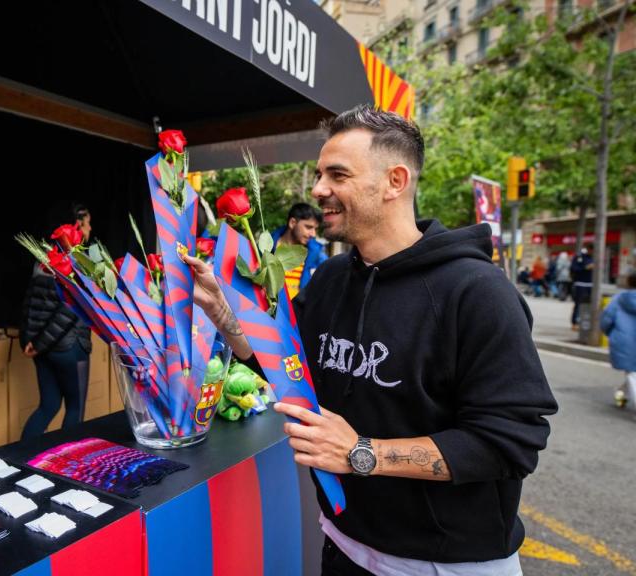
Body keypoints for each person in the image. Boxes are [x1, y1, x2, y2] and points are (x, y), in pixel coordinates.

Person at [183, 105, 556, 575]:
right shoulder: (333, 278)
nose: (319, 190)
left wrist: (362, 453)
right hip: (343, 542)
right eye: (320, 174)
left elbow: (510, 444)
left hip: (443, 564)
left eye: (337, 175)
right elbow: (286, 370)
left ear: (395, 181)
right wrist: (222, 312)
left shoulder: (477, 293)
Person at [19, 205, 93, 439]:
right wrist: (39, 343)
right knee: (75, 408)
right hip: (70, 349)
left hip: (42, 350)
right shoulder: (79, 263)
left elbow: (29, 303)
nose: (90, 228)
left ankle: (23, 457)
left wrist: (30, 341)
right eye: (88, 223)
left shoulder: (42, 260)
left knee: (48, 406)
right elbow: (69, 311)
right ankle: (67, 463)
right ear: (77, 226)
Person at [272, 202, 328, 298]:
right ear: (292, 223)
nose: (313, 234)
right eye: (308, 227)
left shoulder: (318, 257)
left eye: (315, 229)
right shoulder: (264, 248)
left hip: (299, 311)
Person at [601, 272, 636, 409]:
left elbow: (606, 319)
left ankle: (621, 394)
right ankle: (622, 395)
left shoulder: (619, 299)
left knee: (632, 373)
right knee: (632, 373)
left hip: (624, 340)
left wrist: (610, 333)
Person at [570, 246, 594, 330]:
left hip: (591, 284)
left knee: (589, 305)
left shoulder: (594, 258)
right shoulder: (579, 257)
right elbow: (573, 268)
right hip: (580, 284)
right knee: (578, 304)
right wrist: (585, 268)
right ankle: (575, 322)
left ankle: (585, 323)